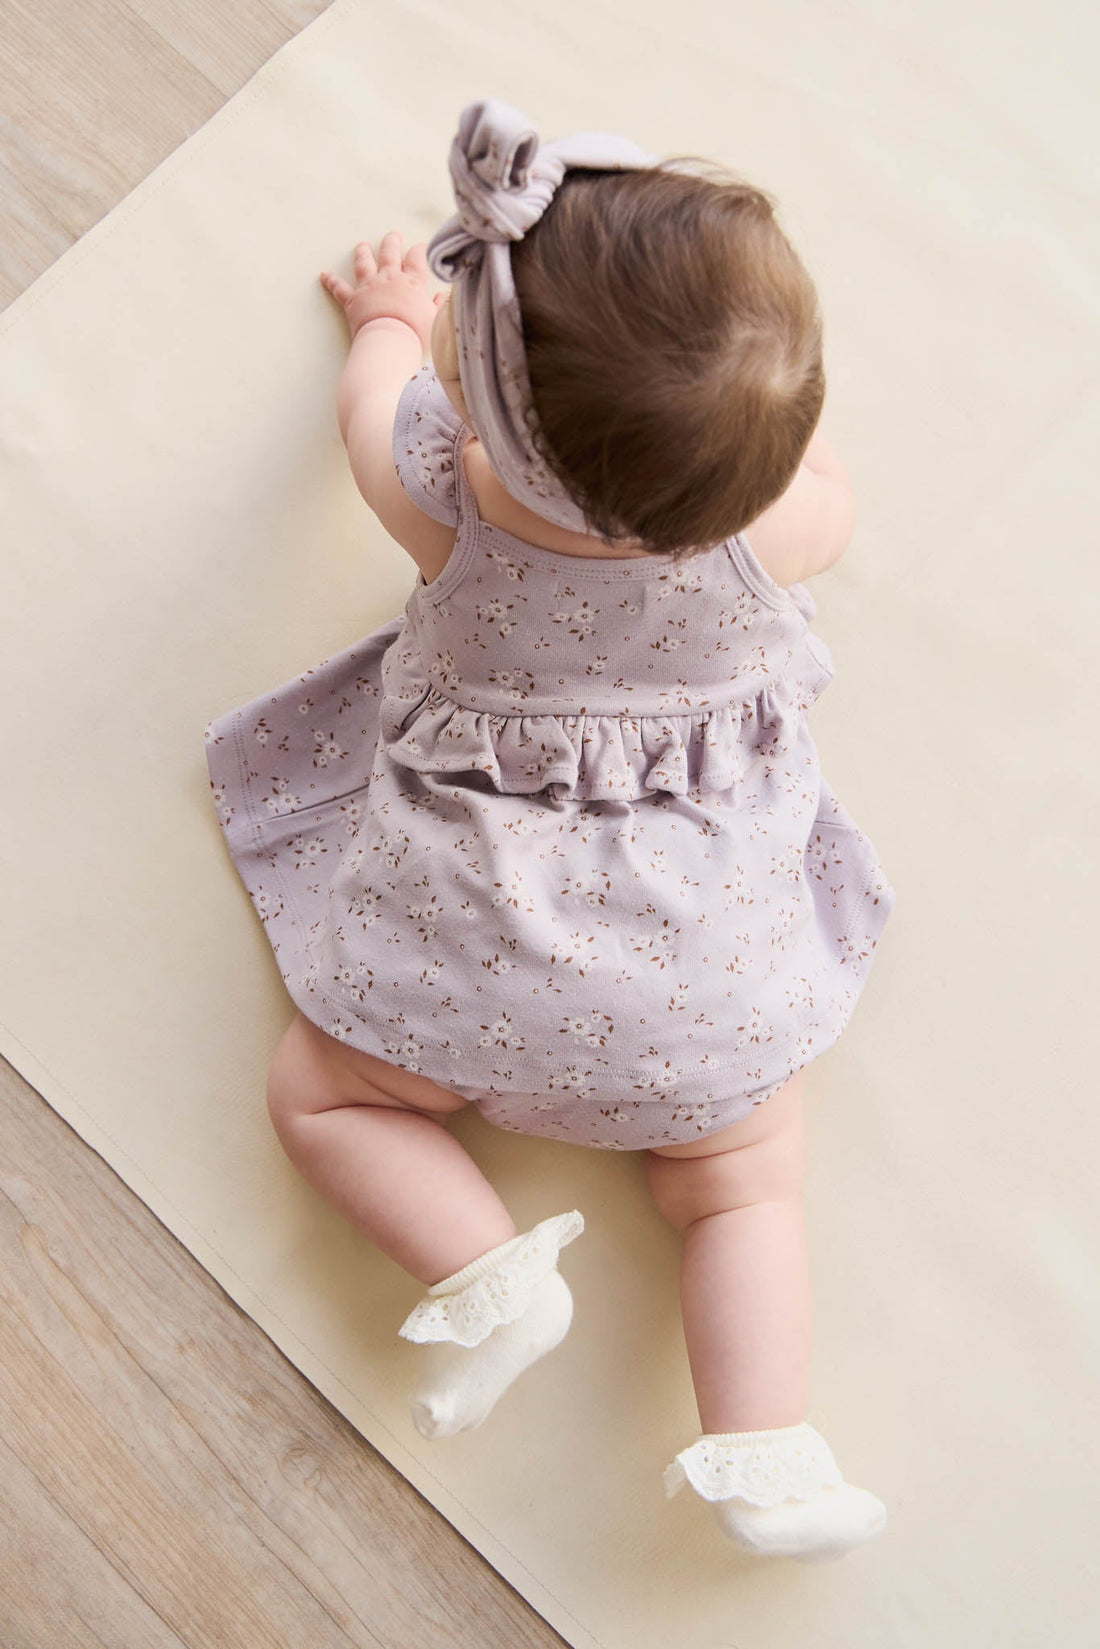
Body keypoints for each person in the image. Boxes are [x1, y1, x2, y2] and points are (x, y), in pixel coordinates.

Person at [203, 97, 896, 1561]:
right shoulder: (778, 529)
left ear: (478, 411)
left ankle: (487, 1272)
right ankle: (765, 1447)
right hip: (702, 1000)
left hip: (464, 967)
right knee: (742, 1185)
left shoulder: (442, 492)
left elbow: (368, 405)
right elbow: (823, 476)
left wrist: (388, 323)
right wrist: (760, 424)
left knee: (323, 1096)